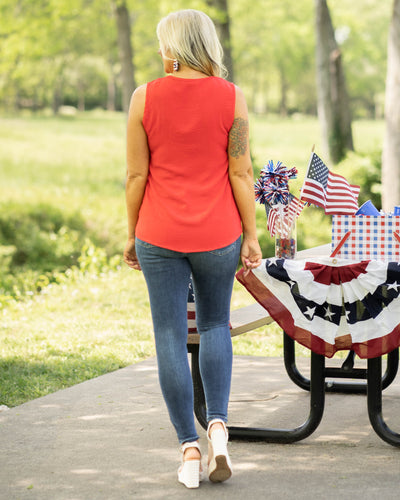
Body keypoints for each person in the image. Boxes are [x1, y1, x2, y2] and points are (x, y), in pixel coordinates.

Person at [123, 9, 262, 489]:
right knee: (213, 324)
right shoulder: (232, 98)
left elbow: (136, 175)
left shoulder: (144, 98)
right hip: (218, 235)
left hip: (158, 234)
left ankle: (188, 447)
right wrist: (251, 234)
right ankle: (218, 427)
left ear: (173, 47)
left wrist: (130, 232)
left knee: (168, 334)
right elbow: (242, 172)